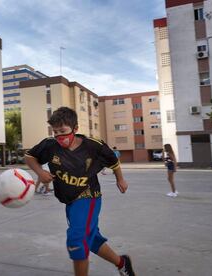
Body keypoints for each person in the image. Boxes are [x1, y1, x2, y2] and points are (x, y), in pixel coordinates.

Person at [25, 107, 136, 276]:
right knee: (91, 240)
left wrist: (120, 179)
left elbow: (113, 161)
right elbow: (29, 156)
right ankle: (122, 263)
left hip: (88, 196)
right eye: (55, 132)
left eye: (63, 131)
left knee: (77, 239)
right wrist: (40, 172)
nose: (59, 137)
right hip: (70, 201)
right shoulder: (50, 145)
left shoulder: (93, 146)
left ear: (75, 129)